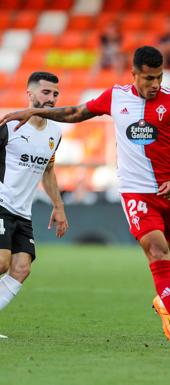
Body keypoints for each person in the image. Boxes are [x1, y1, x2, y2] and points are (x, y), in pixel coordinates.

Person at [0, 47, 170, 353]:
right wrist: (34, 111)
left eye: (159, 77)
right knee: (157, 251)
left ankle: (164, 302)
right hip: (135, 192)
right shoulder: (116, 97)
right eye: (148, 78)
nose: (154, 84)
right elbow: (77, 113)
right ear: (134, 74)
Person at [0, 72, 68, 332]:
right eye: (46, 93)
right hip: (1, 203)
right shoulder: (9, 125)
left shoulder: (55, 132)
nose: (51, 99)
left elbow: (48, 170)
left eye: (55, 94)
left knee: (21, 269)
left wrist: (58, 206)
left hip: (23, 211)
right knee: (2, 262)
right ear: (30, 94)